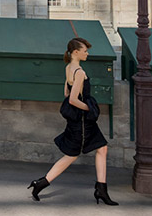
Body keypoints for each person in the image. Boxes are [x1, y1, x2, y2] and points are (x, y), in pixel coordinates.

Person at [29, 37, 116, 205]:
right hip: (83, 123)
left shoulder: (69, 68)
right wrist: (90, 108)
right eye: (85, 51)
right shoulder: (80, 72)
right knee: (71, 156)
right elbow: (73, 100)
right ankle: (41, 183)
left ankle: (102, 189)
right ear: (76, 52)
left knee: (101, 148)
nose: (87, 53)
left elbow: (66, 93)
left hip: (81, 122)